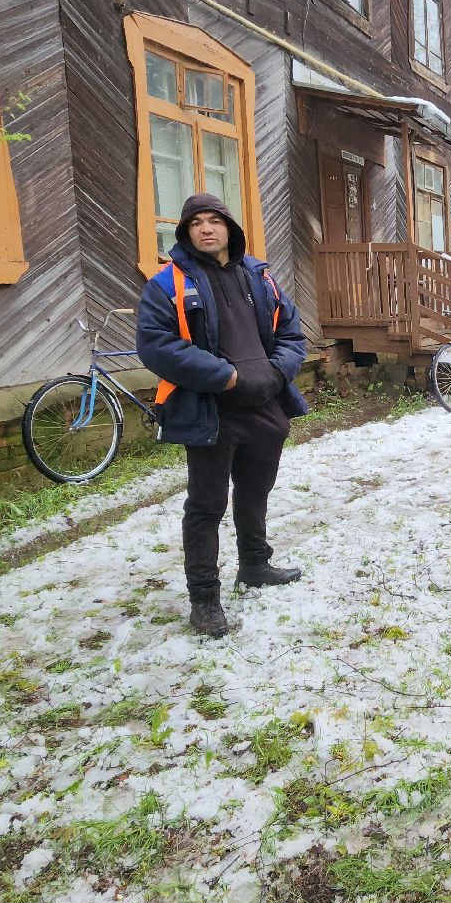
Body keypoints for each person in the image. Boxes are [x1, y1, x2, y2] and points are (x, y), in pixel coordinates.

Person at [136, 193, 308, 638]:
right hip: (210, 414)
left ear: (230, 228)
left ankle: (254, 564)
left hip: (266, 407)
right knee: (206, 506)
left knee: (255, 492)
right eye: (196, 223)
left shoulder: (260, 277)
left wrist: (275, 372)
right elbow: (157, 345)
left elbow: (292, 333)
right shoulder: (167, 284)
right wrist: (227, 378)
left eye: (215, 220)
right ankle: (205, 599)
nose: (206, 229)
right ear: (186, 232)